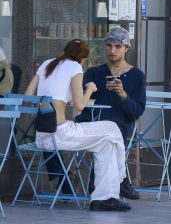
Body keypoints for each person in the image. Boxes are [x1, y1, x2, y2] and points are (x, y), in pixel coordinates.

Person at [25, 38, 131, 211]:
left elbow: (28, 96)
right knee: (112, 128)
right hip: (61, 134)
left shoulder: (46, 64)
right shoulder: (74, 67)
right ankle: (121, 179)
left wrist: (51, 103)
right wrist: (90, 88)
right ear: (82, 59)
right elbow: (80, 106)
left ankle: (105, 197)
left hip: (42, 137)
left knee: (106, 143)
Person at [75, 27, 146, 200]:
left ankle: (98, 184)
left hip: (119, 126)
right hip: (91, 124)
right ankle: (120, 181)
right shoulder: (94, 73)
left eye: (118, 46)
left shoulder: (136, 75)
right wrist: (91, 94)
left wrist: (122, 95)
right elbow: (80, 104)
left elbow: (136, 112)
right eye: (109, 45)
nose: (112, 50)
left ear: (126, 49)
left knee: (112, 132)